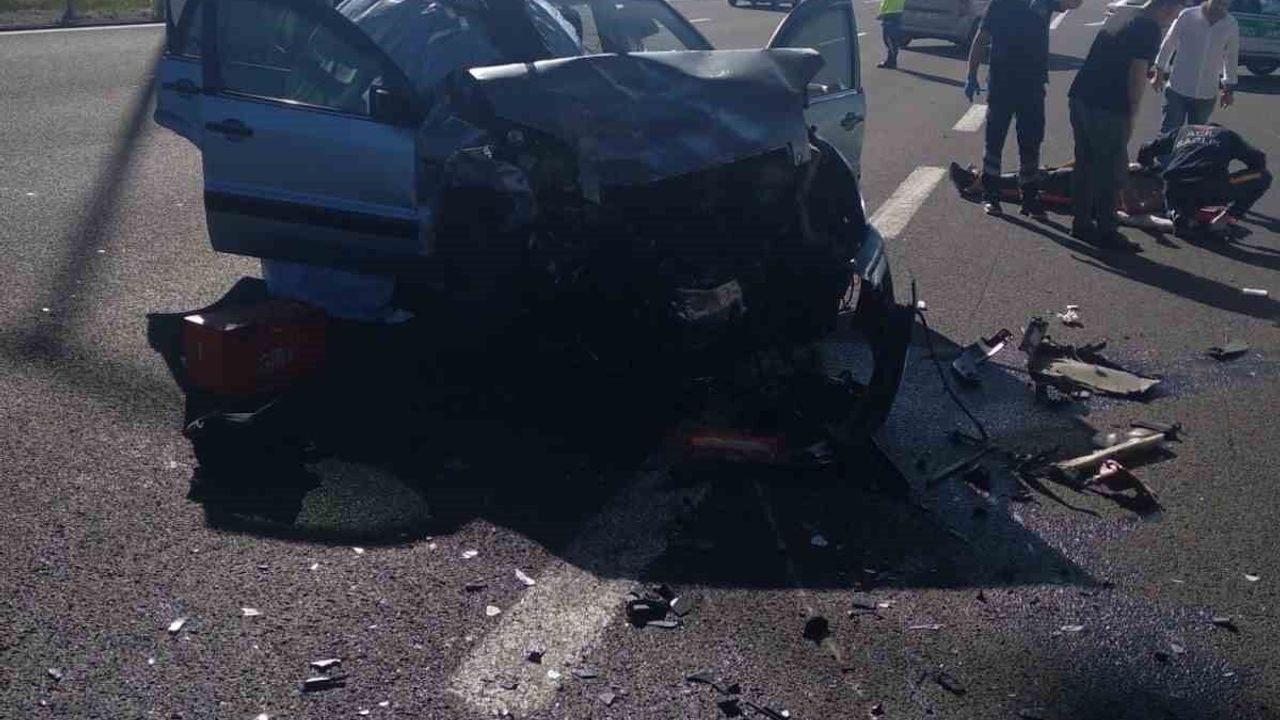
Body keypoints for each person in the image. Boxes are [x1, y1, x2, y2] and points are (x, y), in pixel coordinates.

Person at [1067, 0, 1183, 249]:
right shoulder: (1149, 27)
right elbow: (1137, 73)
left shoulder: (1123, 14)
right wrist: (1132, 114)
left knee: (1085, 165)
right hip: (1108, 106)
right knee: (1111, 171)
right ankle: (1108, 231)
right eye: (1175, 12)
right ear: (1165, 8)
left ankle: (1082, 223)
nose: (1174, 18)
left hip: (1081, 95)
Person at [965, 0, 1083, 219]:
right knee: (994, 140)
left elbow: (1073, 3)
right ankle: (991, 194)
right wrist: (971, 74)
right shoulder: (1000, 3)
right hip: (1002, 83)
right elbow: (981, 38)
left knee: (1031, 142)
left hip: (1033, 85)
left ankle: (1029, 196)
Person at [1137, 122, 1271, 236]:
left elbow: (1146, 148)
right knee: (1264, 176)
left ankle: (1177, 214)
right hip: (1210, 188)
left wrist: (1150, 171)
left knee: (1174, 187)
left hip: (1173, 187)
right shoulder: (1226, 135)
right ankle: (1225, 219)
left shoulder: (1183, 131)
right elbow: (1258, 159)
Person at [1152, 0, 1240, 134]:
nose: (1220, 7)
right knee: (1169, 133)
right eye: (1217, 2)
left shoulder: (1230, 24)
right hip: (1178, 88)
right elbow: (1169, 43)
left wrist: (1228, 90)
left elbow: (1231, 56)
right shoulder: (1188, 15)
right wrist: (1159, 72)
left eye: (1224, 4)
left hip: (1206, 93)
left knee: (1195, 137)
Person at [876, 0, 906, 69]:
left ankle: (892, 61)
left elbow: (887, 2)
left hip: (890, 13)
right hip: (897, 12)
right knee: (891, 39)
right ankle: (891, 61)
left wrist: (882, 13)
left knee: (889, 39)